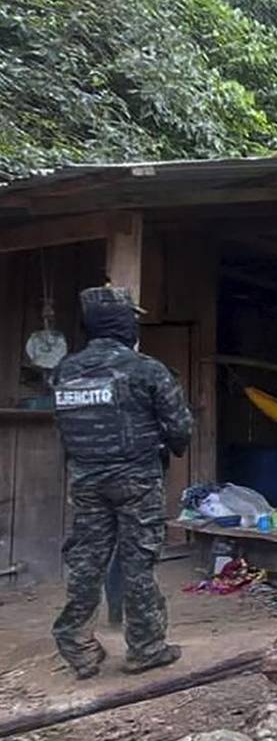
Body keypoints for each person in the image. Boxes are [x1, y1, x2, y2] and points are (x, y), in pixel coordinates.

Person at [50, 286, 193, 679]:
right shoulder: (146, 368)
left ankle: (76, 645)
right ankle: (145, 648)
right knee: (139, 561)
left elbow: (62, 427)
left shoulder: (65, 370)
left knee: (86, 562)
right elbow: (180, 427)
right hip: (136, 479)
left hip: (86, 479)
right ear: (125, 323)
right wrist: (170, 447)